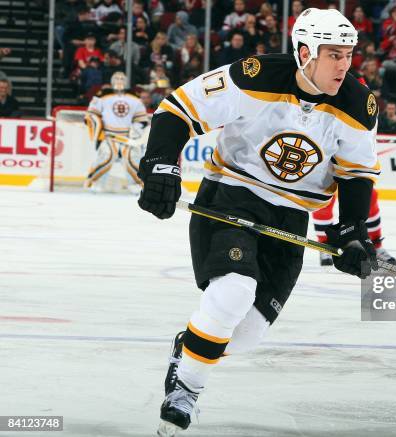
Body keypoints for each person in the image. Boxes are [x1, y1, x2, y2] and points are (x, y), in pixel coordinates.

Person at [137, 8, 380, 435]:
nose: (344, 64)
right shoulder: (254, 76)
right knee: (233, 290)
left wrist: (353, 232)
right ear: (305, 52)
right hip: (232, 196)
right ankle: (185, 392)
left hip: (291, 217)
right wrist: (160, 165)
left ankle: (189, 349)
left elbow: (357, 173)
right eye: (333, 54)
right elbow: (179, 108)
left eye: (348, 55)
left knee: (247, 335)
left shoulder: (359, 104)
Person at [84, 72, 149, 192]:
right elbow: (92, 114)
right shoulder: (102, 95)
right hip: (109, 136)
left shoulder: (134, 97)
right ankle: (95, 183)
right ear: (112, 81)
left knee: (132, 159)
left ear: (126, 81)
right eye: (116, 78)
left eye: (122, 78)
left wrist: (135, 130)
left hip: (127, 137)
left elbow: (141, 119)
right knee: (105, 157)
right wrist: (97, 127)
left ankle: (136, 185)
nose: (119, 81)